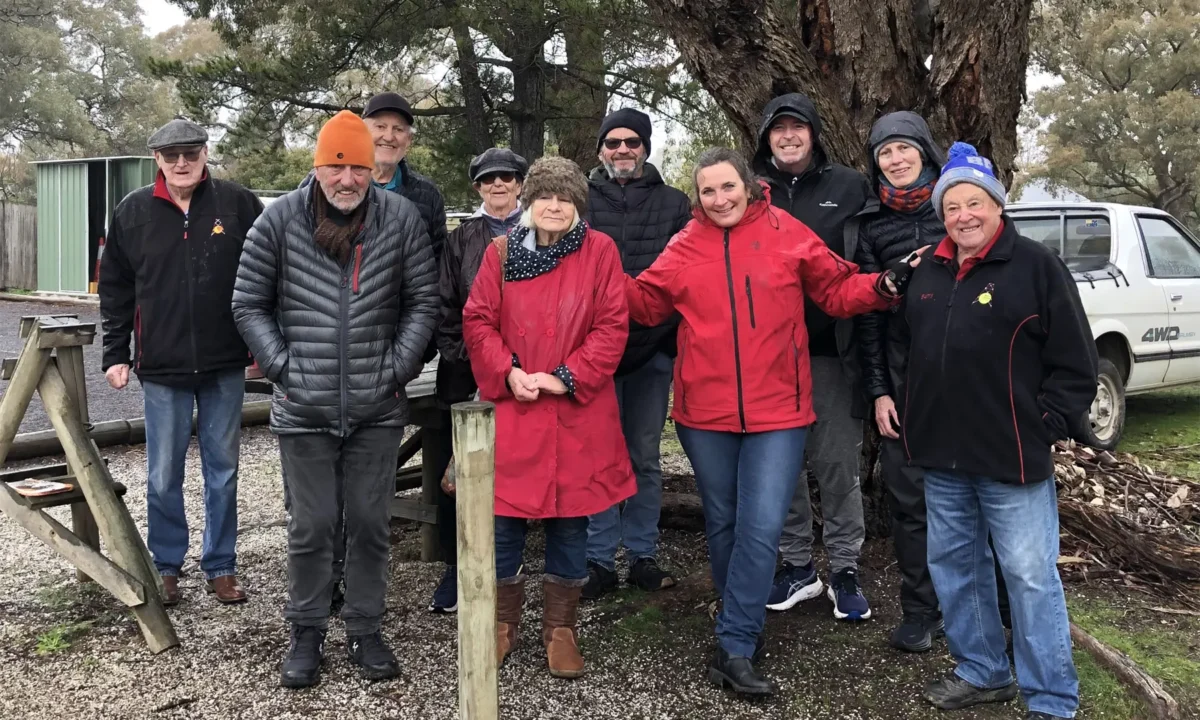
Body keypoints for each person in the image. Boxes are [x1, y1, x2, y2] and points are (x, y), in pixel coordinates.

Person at [625, 148, 917, 696]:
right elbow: (645, 304)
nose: (720, 199)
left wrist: (883, 285)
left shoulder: (787, 232)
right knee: (724, 522)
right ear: (698, 197)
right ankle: (740, 619)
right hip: (704, 414)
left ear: (748, 185)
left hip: (779, 410)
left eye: (727, 187)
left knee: (761, 526)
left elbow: (836, 289)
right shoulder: (685, 244)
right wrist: (594, 269)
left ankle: (734, 643)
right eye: (708, 191)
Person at [232, 110, 438, 688]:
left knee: (370, 524)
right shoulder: (278, 220)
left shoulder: (400, 218)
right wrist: (284, 369)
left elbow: (423, 301)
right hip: (305, 406)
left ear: (373, 169)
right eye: (336, 168)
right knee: (313, 526)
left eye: (358, 169)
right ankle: (306, 630)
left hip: (377, 406)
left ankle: (366, 628)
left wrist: (396, 368)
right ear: (318, 167)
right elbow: (248, 302)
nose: (347, 180)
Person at [905, 142, 1096, 720]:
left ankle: (1052, 699)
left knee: (1030, 577)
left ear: (996, 205)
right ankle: (983, 670)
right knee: (955, 569)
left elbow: (1077, 363)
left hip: (1012, 455)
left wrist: (1045, 424)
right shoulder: (927, 271)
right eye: (951, 206)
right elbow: (909, 349)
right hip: (942, 455)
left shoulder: (1036, 266)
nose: (963, 215)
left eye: (974, 203)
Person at [462, 156, 635, 679]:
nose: (554, 206)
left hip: (576, 410)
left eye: (565, 198)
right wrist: (508, 372)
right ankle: (501, 624)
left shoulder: (599, 251)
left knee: (570, 523)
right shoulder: (500, 252)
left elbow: (612, 325)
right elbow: (478, 320)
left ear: (578, 205)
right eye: (544, 196)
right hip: (515, 407)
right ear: (529, 201)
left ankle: (561, 630)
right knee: (504, 521)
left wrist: (566, 376)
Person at [100, 117, 262, 607]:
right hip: (162, 365)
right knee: (162, 474)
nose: (182, 162)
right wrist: (115, 353)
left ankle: (221, 565)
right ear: (157, 159)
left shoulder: (237, 204)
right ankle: (167, 565)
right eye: (171, 155)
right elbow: (115, 288)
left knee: (224, 471)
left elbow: (267, 271)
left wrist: (262, 343)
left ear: (205, 153)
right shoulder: (132, 212)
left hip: (225, 361)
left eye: (191, 153)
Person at [752, 93, 875, 621]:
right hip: (767, 355)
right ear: (766, 138)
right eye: (778, 129)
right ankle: (798, 565)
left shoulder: (848, 186)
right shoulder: (749, 188)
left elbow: (866, 255)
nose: (788, 136)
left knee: (837, 464)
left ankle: (845, 569)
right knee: (783, 467)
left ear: (814, 133)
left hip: (830, 351)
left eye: (797, 127)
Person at [582, 108, 692, 599]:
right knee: (599, 455)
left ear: (645, 147)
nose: (622, 150)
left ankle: (642, 553)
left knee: (644, 456)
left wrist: (667, 339)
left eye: (632, 142)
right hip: (593, 353)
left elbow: (686, 273)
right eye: (613, 142)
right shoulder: (581, 201)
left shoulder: (674, 203)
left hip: (651, 350)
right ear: (601, 149)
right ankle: (599, 558)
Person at [429, 147, 529, 613]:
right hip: (466, 371)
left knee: (518, 468)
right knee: (457, 475)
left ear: (520, 183)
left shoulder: (541, 230)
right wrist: (476, 360)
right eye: (489, 179)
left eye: (506, 176)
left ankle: (509, 566)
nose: (498, 184)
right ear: (478, 187)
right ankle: (457, 566)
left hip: (528, 373)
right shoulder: (460, 239)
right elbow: (444, 305)